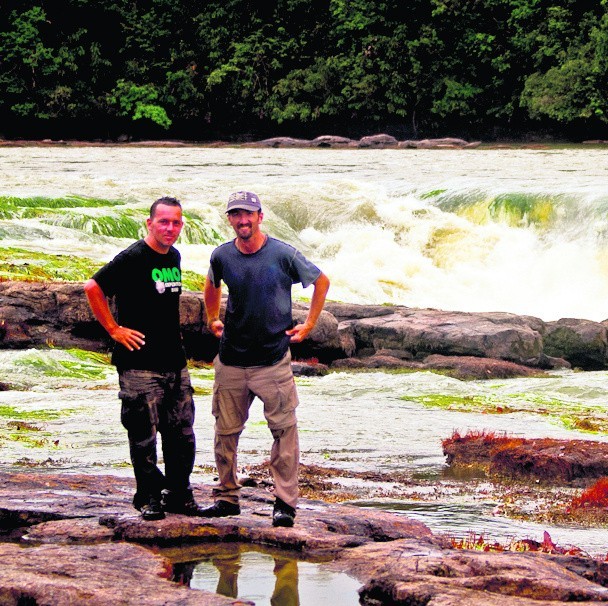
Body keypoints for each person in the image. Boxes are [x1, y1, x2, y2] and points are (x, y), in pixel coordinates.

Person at [202, 191, 330, 527]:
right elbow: (211, 282)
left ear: (260, 217)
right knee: (225, 434)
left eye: (249, 214)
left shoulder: (283, 254)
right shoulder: (222, 255)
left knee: (284, 433)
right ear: (230, 219)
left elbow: (321, 281)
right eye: (236, 215)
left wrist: (311, 323)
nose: (243, 221)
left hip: (273, 361)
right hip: (231, 361)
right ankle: (227, 498)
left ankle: (285, 504)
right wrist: (212, 315)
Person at [84, 196, 205, 521]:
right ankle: (149, 497)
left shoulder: (174, 256)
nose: (170, 228)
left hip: (174, 362)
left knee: (182, 433)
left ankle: (178, 494)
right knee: (143, 435)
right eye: (163, 221)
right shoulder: (133, 256)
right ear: (150, 223)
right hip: (138, 363)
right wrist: (113, 329)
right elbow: (93, 286)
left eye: (176, 222)